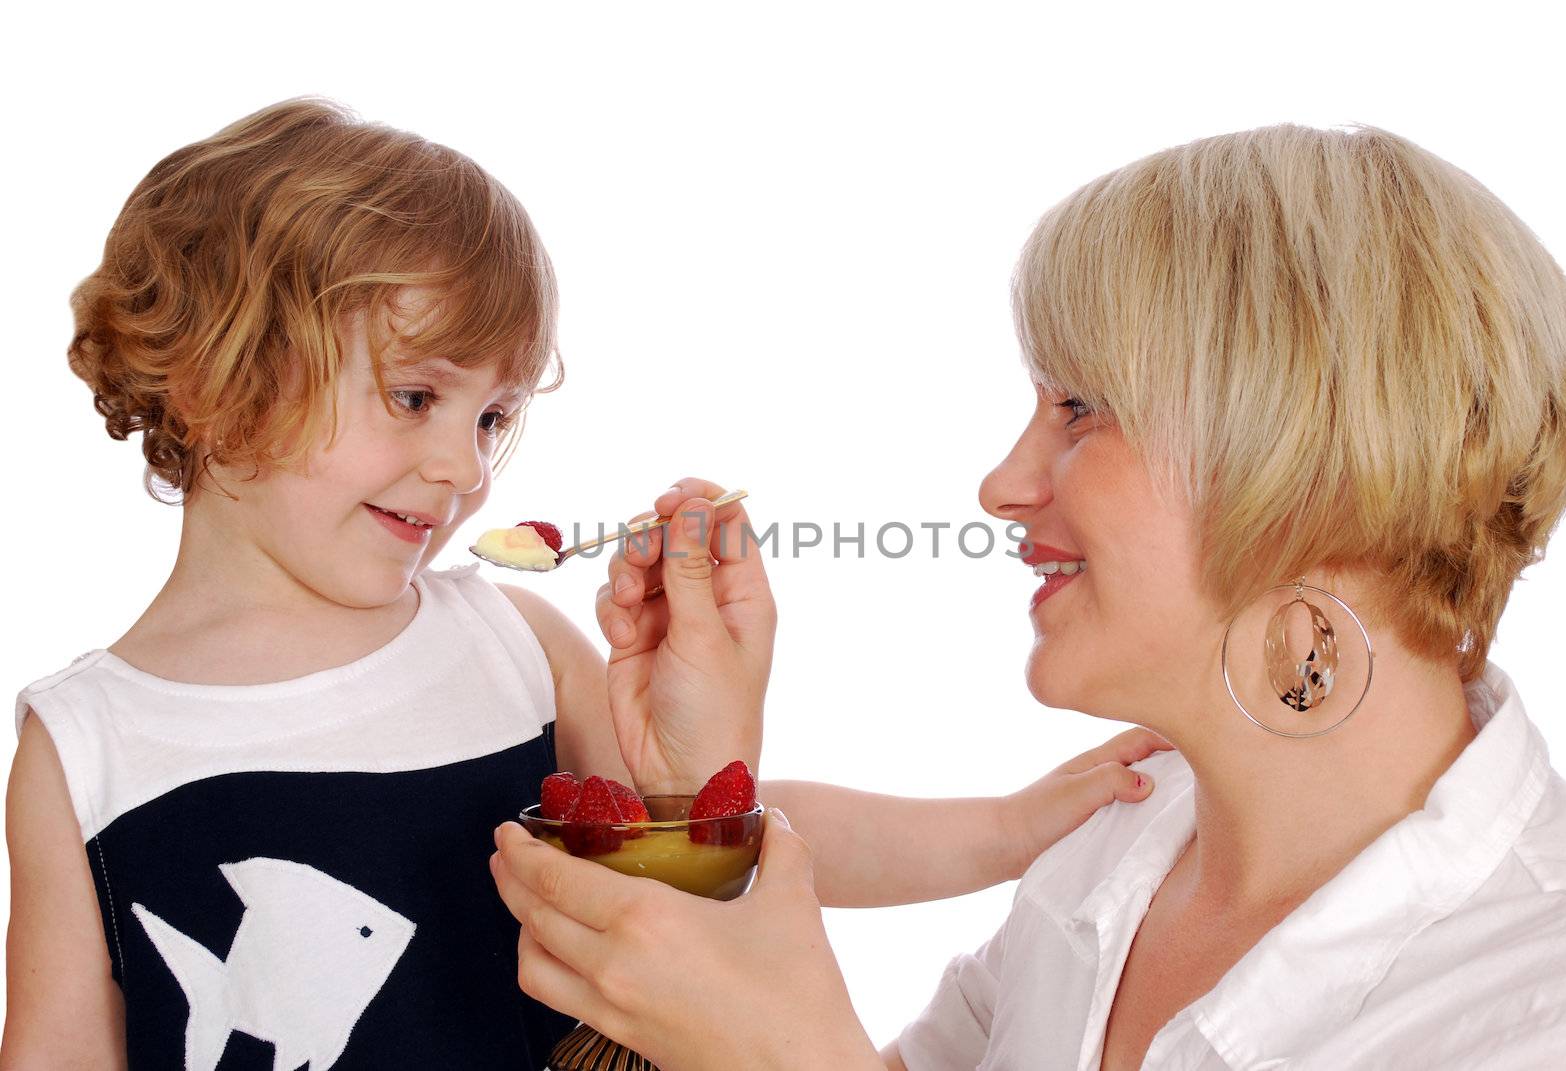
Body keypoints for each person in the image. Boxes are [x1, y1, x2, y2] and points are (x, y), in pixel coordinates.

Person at [2, 99, 1165, 1068]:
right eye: (417, 397)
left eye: (494, 415)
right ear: (214, 379)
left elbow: (733, 847)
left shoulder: (507, 642)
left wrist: (1008, 831)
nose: (463, 469)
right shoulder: (87, 744)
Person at [491, 124, 1566, 1069]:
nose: (1001, 486)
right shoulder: (1114, 850)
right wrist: (699, 801)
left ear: (1312, 465)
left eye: (1078, 409)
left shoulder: (1552, 1002)